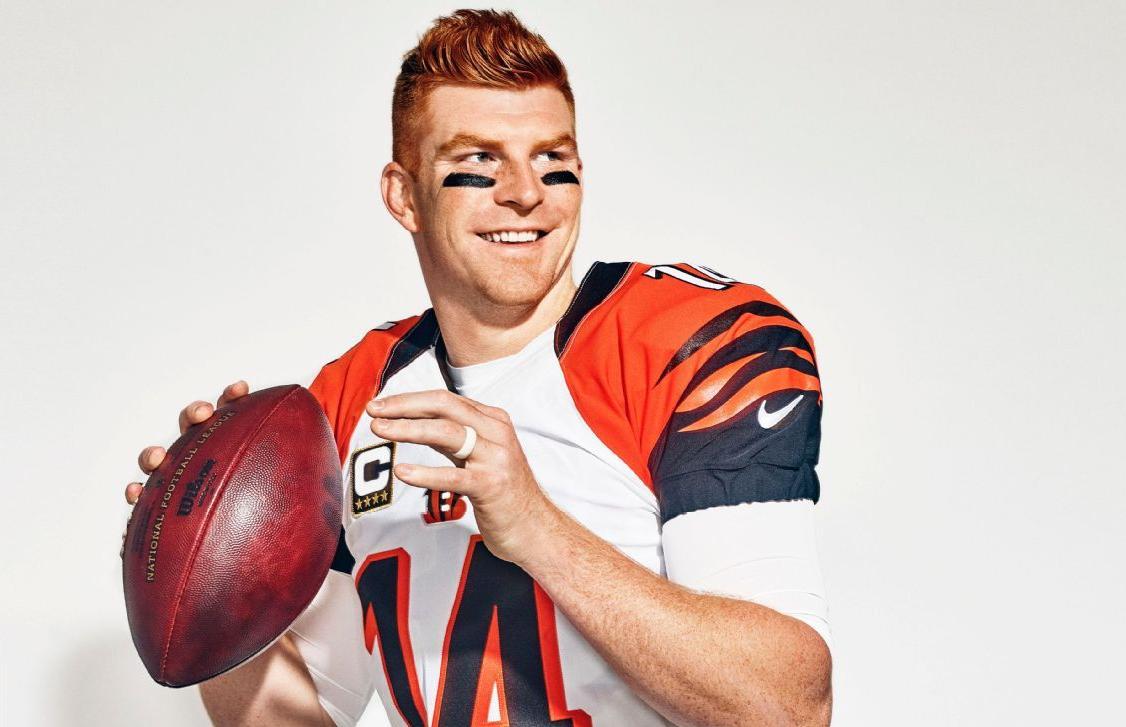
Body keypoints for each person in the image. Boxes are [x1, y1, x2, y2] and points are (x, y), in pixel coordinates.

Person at [123, 10, 832, 726]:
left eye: (552, 160)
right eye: (478, 163)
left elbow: (785, 707)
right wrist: (203, 572)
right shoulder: (349, 395)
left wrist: (535, 527)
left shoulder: (687, 343)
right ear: (404, 196)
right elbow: (300, 718)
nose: (525, 192)